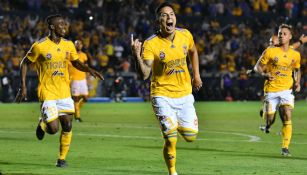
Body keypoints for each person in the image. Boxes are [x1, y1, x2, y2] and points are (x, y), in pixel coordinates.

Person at [15, 14, 103, 167]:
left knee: (68, 125)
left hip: (63, 91)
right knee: (53, 129)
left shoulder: (68, 45)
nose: (64, 27)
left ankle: (61, 159)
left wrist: (89, 70)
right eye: (61, 24)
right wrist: (22, 86)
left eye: (65, 24)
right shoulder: (39, 46)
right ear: (52, 27)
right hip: (47, 91)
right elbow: (24, 63)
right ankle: (43, 123)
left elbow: (75, 62)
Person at [131, 2, 202, 175]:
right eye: (164, 15)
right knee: (171, 138)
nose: (169, 17)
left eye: (171, 14)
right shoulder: (151, 44)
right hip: (162, 95)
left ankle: (171, 123)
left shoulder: (185, 35)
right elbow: (145, 74)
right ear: (158, 21)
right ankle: (172, 172)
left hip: (184, 94)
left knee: (191, 137)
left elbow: (193, 51)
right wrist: (136, 56)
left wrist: (197, 75)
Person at [255, 24, 301, 156]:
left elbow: (297, 69)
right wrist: (264, 74)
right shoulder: (270, 51)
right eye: (280, 33)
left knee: (287, 114)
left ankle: (285, 147)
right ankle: (266, 115)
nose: (281, 35)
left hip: (286, 90)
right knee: (270, 119)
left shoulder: (295, 55)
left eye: (284, 33)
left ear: (290, 36)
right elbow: (258, 66)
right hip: (272, 90)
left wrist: (297, 82)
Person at [247, 34, 307, 131]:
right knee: (271, 116)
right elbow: (259, 65)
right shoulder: (269, 52)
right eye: (270, 42)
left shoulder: (284, 50)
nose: (270, 44)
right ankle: (268, 123)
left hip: (284, 86)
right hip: (271, 87)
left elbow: (293, 47)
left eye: (272, 42)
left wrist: (300, 42)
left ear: (278, 42)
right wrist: (254, 71)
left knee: (284, 111)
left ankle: (284, 130)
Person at [68, 40, 89, 122]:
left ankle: (74, 110)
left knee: (86, 98)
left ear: (82, 45)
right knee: (76, 98)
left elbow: (86, 66)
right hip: (74, 79)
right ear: (74, 45)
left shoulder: (84, 55)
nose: (78, 45)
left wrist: (87, 76)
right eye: (77, 44)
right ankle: (77, 116)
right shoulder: (70, 55)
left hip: (83, 79)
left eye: (80, 44)